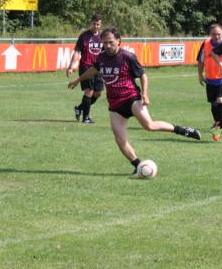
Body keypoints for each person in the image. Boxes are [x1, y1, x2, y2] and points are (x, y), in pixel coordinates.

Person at [68, 27, 201, 174]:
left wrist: (145, 94)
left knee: (149, 126)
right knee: (120, 139)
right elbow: (93, 70)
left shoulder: (127, 57)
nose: (107, 45)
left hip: (131, 98)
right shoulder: (101, 57)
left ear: (118, 41)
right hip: (115, 105)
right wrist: (77, 80)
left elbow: (143, 76)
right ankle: (138, 165)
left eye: (111, 42)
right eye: (104, 43)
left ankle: (183, 130)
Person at [67, 13, 104, 123]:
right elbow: (77, 52)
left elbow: (105, 52)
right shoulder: (84, 36)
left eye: (98, 24)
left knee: (98, 93)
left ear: (101, 25)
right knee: (89, 91)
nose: (96, 26)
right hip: (85, 67)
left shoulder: (102, 37)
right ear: (90, 23)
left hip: (98, 68)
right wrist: (71, 67)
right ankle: (86, 117)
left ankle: (79, 108)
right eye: (94, 24)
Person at [197, 23, 222, 128]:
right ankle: (217, 123)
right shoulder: (205, 44)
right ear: (210, 34)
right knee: (214, 104)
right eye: (214, 34)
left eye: (219, 34)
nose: (217, 36)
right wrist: (200, 75)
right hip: (210, 79)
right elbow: (201, 61)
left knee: (220, 100)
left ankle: (220, 125)